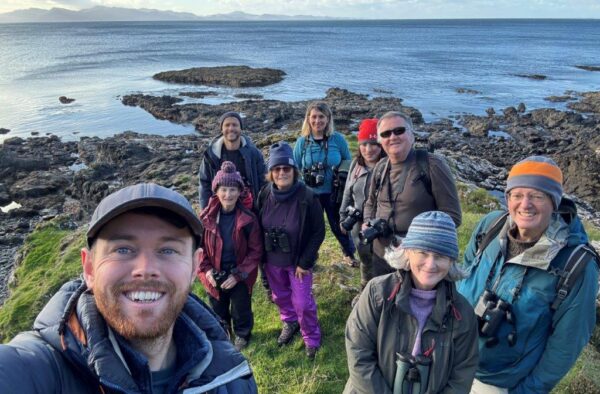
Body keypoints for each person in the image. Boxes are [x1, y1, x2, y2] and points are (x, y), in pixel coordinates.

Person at [0, 183, 258, 393]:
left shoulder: (232, 379)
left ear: (194, 267)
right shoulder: (42, 370)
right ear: (89, 268)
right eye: (122, 249)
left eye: (168, 250)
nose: (145, 268)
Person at [457, 156, 599, 393]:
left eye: (537, 196)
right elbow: (465, 274)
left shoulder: (577, 265)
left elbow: (565, 346)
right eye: (517, 195)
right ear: (508, 198)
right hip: (453, 359)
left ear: (554, 202)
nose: (525, 204)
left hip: (499, 383)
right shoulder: (490, 226)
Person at [345, 211, 479, 393]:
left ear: (451, 261)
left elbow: (462, 375)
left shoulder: (463, 313)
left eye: (440, 256)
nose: (431, 264)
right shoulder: (377, 292)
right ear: (406, 252)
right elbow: (358, 354)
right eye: (422, 252)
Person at [362, 111, 462, 277]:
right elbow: (370, 202)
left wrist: (415, 241)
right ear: (380, 141)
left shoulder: (431, 165)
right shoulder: (380, 167)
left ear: (412, 134)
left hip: (417, 259)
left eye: (399, 130)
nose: (392, 137)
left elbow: (452, 216)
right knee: (384, 298)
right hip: (382, 253)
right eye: (386, 134)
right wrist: (367, 222)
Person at [256, 142, 326, 359]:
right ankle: (289, 322)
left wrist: (305, 262)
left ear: (294, 170)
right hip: (272, 260)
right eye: (276, 169)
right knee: (280, 297)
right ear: (271, 173)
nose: (281, 173)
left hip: (298, 263)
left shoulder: (308, 197)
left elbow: (318, 232)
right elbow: (258, 225)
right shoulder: (265, 194)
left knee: (303, 303)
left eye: (286, 168)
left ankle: (311, 337)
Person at [197, 161, 263, 352]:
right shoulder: (205, 218)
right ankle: (224, 335)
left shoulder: (248, 219)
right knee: (218, 308)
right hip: (214, 273)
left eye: (233, 189)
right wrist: (207, 271)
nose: (228, 194)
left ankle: (243, 334)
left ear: (239, 191)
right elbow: (198, 249)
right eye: (224, 189)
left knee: (241, 309)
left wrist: (238, 275)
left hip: (239, 274)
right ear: (216, 190)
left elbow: (255, 251)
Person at [293, 101, 357, 266]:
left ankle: (348, 253)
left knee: (338, 225)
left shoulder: (338, 139)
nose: (317, 120)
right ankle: (310, 257)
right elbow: (295, 167)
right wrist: (300, 186)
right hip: (310, 194)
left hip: (333, 191)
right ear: (308, 119)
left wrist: (342, 182)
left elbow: (347, 162)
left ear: (328, 119)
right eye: (313, 116)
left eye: (321, 116)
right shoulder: (302, 142)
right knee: (310, 228)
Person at [339, 118, 386, 305]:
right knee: (365, 260)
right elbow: (347, 192)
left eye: (374, 144)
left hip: (381, 226)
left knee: (383, 264)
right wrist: (343, 217)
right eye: (364, 144)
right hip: (358, 225)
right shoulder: (355, 166)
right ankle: (365, 291)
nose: (368, 149)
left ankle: (383, 297)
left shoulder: (389, 167)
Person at [198, 111, 267, 210]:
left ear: (240, 128)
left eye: (235, 125)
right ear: (221, 129)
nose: (231, 128)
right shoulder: (211, 155)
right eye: (227, 125)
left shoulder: (254, 154)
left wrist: (262, 209)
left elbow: (263, 181)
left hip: (250, 209)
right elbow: (204, 185)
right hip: (221, 210)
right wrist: (206, 211)